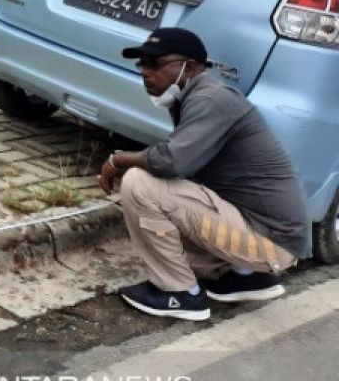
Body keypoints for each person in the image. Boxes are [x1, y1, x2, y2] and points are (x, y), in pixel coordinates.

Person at [98, 27, 309, 321]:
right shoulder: (193, 99)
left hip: (270, 242)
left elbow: (170, 161)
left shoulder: (211, 99)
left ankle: (180, 294)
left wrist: (118, 160)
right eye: (142, 64)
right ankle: (245, 276)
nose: (145, 72)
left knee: (139, 183)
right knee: (161, 208)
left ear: (191, 67)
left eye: (156, 64)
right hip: (269, 236)